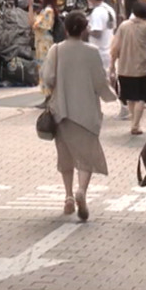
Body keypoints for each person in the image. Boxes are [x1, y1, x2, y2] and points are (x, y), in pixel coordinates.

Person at [42, 12, 118, 221]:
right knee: (86, 157)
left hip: (62, 111)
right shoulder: (91, 52)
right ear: (84, 30)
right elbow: (99, 81)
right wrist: (111, 96)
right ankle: (81, 191)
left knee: (65, 156)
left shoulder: (56, 50)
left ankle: (68, 196)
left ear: (66, 29)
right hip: (86, 112)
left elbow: (48, 77)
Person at [111, 1, 146, 135]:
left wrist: (112, 64)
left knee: (130, 96)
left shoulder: (124, 26)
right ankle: (135, 124)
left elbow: (115, 46)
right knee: (141, 97)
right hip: (143, 67)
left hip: (125, 66)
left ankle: (134, 121)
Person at [85, 0, 115, 77]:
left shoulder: (97, 12)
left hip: (99, 52)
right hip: (108, 49)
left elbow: (97, 33)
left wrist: (87, 29)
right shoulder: (109, 9)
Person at [30, 0, 59, 65]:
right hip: (40, 43)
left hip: (44, 44)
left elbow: (34, 24)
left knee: (44, 66)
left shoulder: (48, 11)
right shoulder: (43, 10)